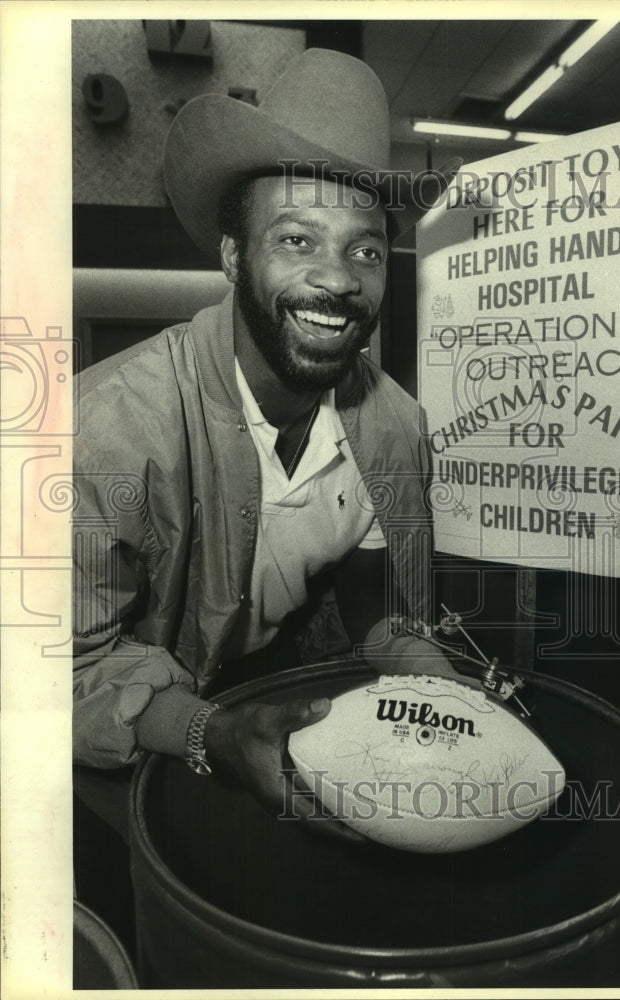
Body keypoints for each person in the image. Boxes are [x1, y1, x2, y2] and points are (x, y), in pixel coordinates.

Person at [72, 48, 462, 834]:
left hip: (278, 699)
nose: (339, 280)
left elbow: (378, 610)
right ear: (232, 256)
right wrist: (208, 734)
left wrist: (445, 696)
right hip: (133, 748)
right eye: (297, 240)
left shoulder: (396, 427)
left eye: (365, 250)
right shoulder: (105, 431)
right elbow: (65, 671)